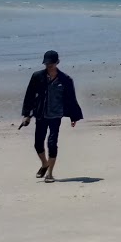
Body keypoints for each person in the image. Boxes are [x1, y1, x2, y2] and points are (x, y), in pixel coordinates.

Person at [19, 50, 83, 183]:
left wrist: (74, 117)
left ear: (57, 62)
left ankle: (49, 174)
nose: (48, 66)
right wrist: (27, 115)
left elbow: (71, 99)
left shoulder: (65, 79)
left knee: (52, 143)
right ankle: (44, 164)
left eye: (51, 63)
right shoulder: (37, 76)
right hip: (41, 115)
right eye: (46, 63)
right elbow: (29, 96)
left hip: (56, 116)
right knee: (38, 144)